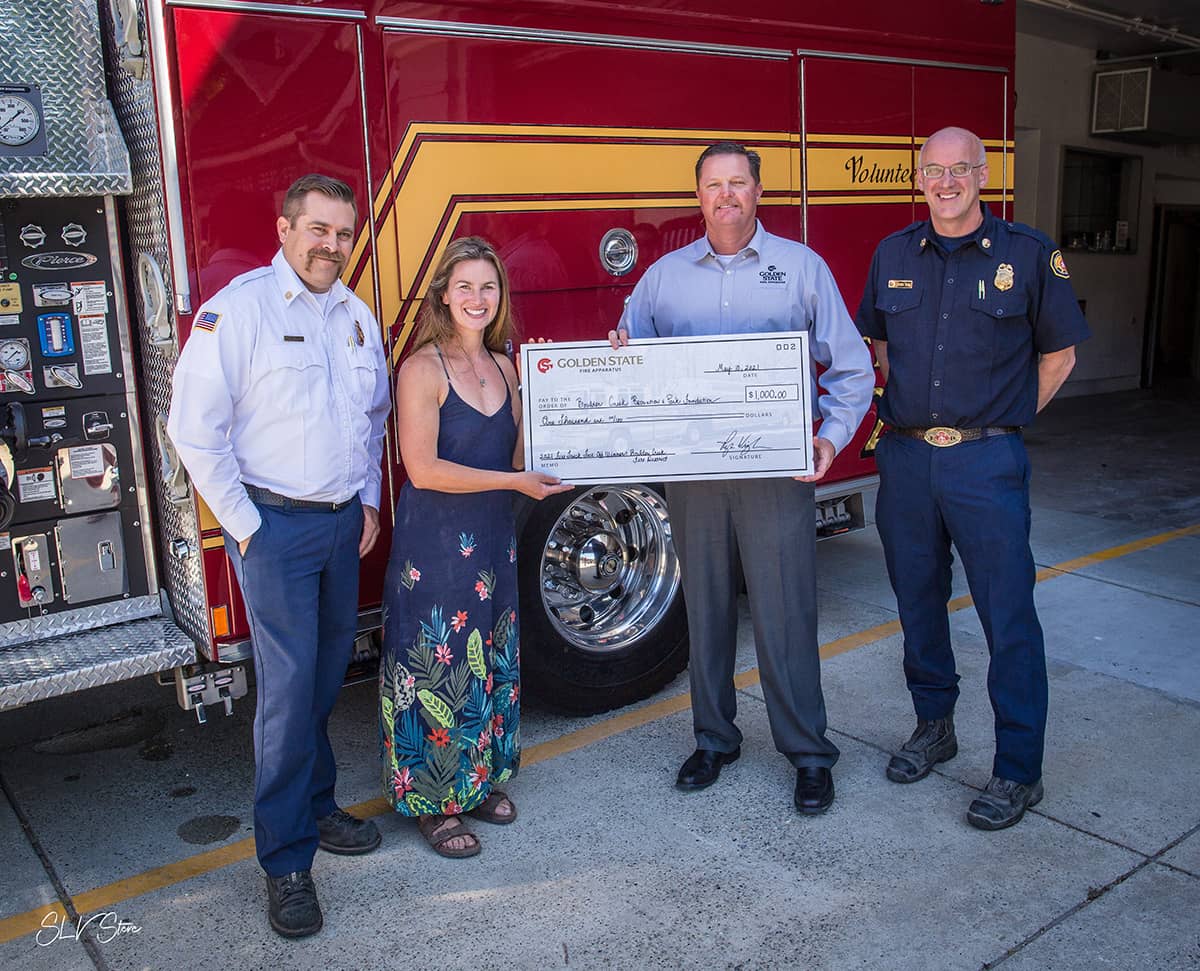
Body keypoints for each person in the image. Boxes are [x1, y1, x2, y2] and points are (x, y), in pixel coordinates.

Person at [609, 142, 874, 813]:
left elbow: (852, 369)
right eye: (712, 184)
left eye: (737, 183)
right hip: (695, 477)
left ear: (758, 190)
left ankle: (809, 751)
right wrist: (618, 356)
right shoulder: (664, 278)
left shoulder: (801, 269)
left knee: (786, 612)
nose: (725, 195)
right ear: (697, 195)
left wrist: (830, 437)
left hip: (776, 474)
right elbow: (628, 360)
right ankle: (714, 738)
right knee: (706, 610)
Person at [167, 174, 391, 938]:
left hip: (337, 527)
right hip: (275, 528)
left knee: (329, 676)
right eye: (318, 229)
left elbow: (371, 419)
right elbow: (194, 431)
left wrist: (367, 500)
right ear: (285, 228)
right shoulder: (240, 311)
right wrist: (247, 525)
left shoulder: (357, 316)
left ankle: (318, 804)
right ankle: (287, 861)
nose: (332, 244)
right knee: (289, 693)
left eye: (343, 232)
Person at [854, 127, 1090, 830]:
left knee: (1007, 614)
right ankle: (935, 724)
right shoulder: (892, 253)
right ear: (917, 177)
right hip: (906, 457)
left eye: (961, 169)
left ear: (984, 175)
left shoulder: (1028, 254)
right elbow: (881, 346)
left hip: (986, 461)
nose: (947, 181)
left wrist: (1002, 421)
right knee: (918, 603)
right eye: (935, 170)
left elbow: (1061, 357)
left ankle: (1018, 768)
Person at [380, 236, 570, 857]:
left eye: (489, 286)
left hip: (491, 538)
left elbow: (518, 458)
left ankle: (481, 779)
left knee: (485, 655)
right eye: (465, 285)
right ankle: (434, 802)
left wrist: (547, 388)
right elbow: (424, 468)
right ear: (442, 294)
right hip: (435, 540)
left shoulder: (507, 366)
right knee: (438, 662)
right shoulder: (421, 369)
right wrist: (515, 482)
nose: (477, 297)